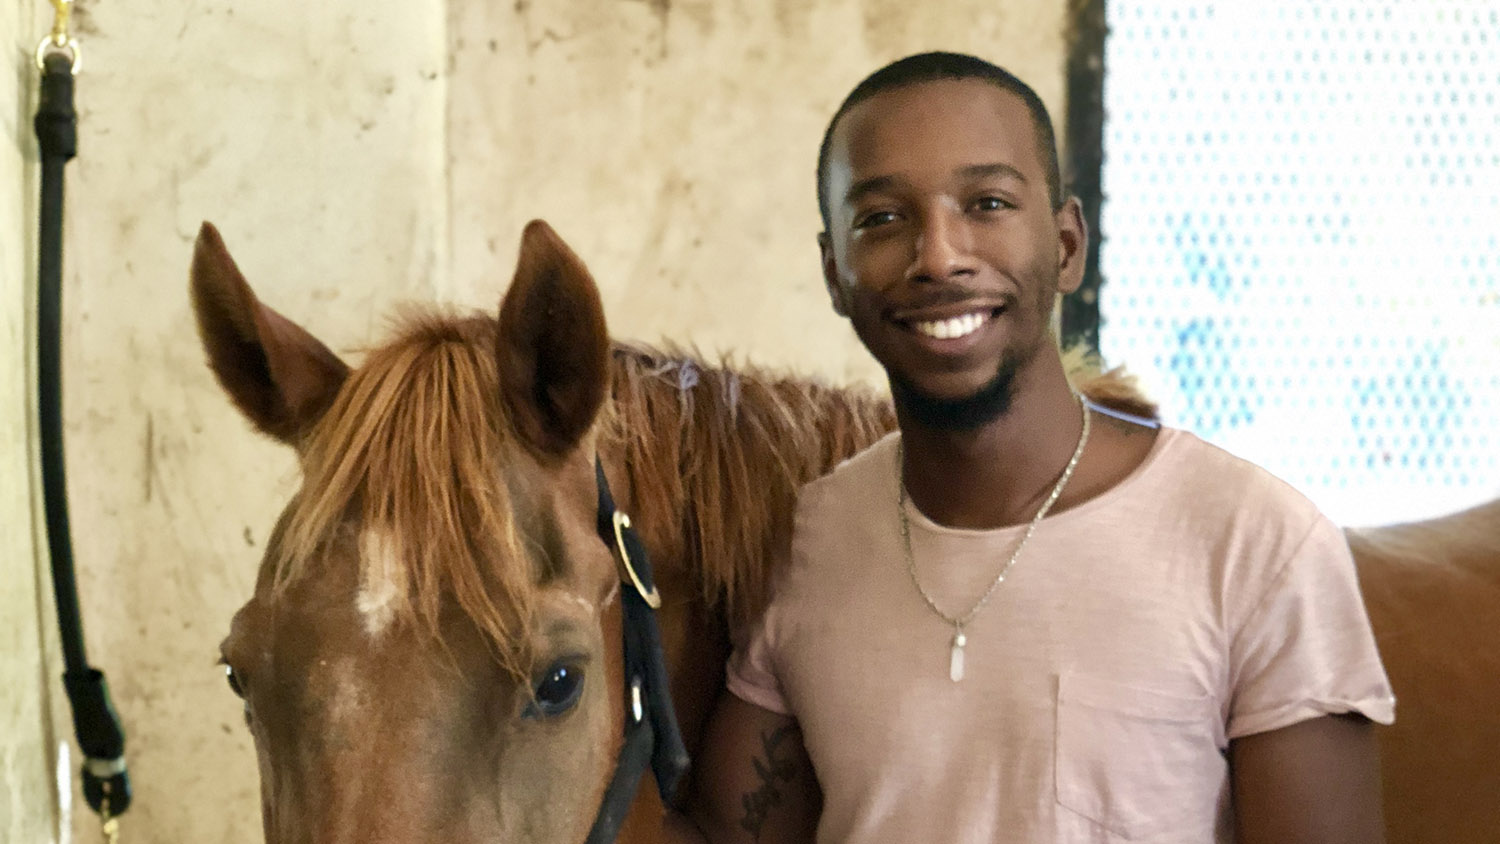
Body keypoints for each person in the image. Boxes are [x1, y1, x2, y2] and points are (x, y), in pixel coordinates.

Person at [678, 51, 1395, 844]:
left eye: (986, 203)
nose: (939, 256)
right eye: (881, 219)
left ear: (1066, 246)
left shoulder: (1256, 542)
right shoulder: (805, 542)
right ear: (834, 274)